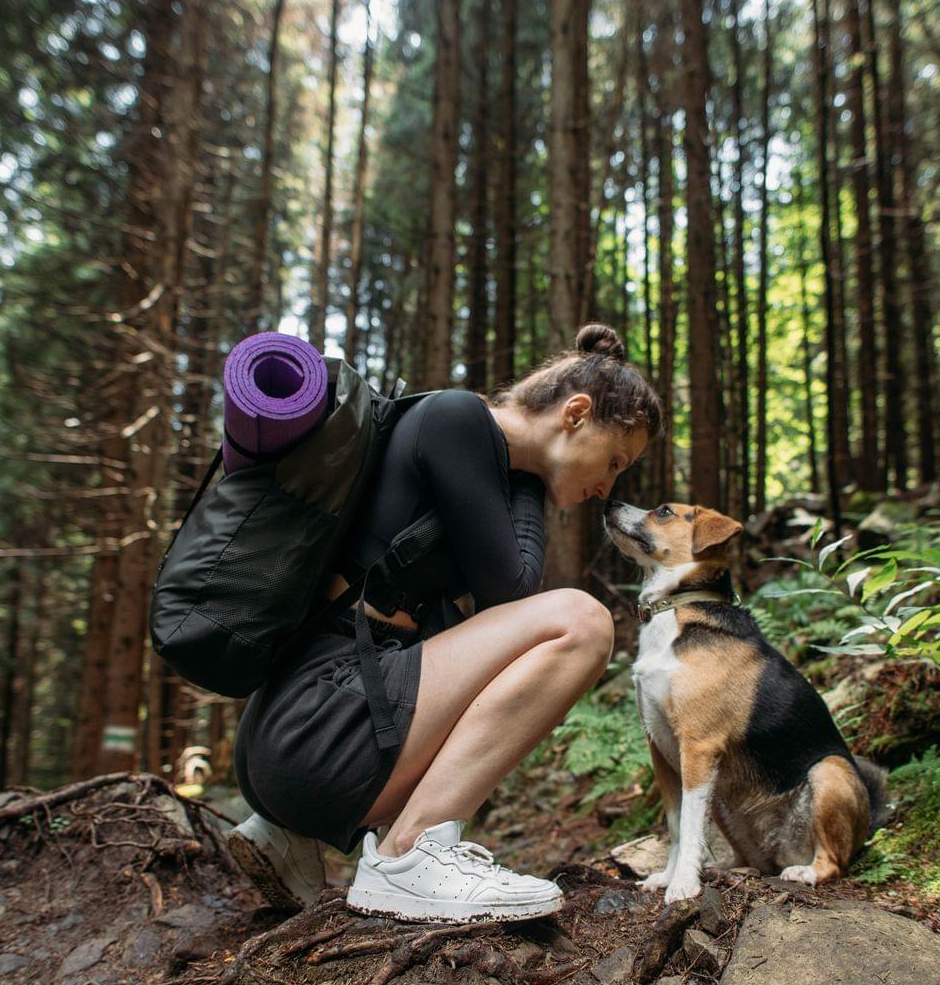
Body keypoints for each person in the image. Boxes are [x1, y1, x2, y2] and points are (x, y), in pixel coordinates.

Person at [226, 323, 662, 923]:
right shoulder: (457, 419)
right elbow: (512, 594)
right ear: (576, 413)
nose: (607, 487)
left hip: (301, 733)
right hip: (316, 729)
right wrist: (534, 475)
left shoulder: (471, 448)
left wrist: (529, 470)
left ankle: (294, 836)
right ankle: (410, 854)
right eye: (614, 461)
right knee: (582, 623)